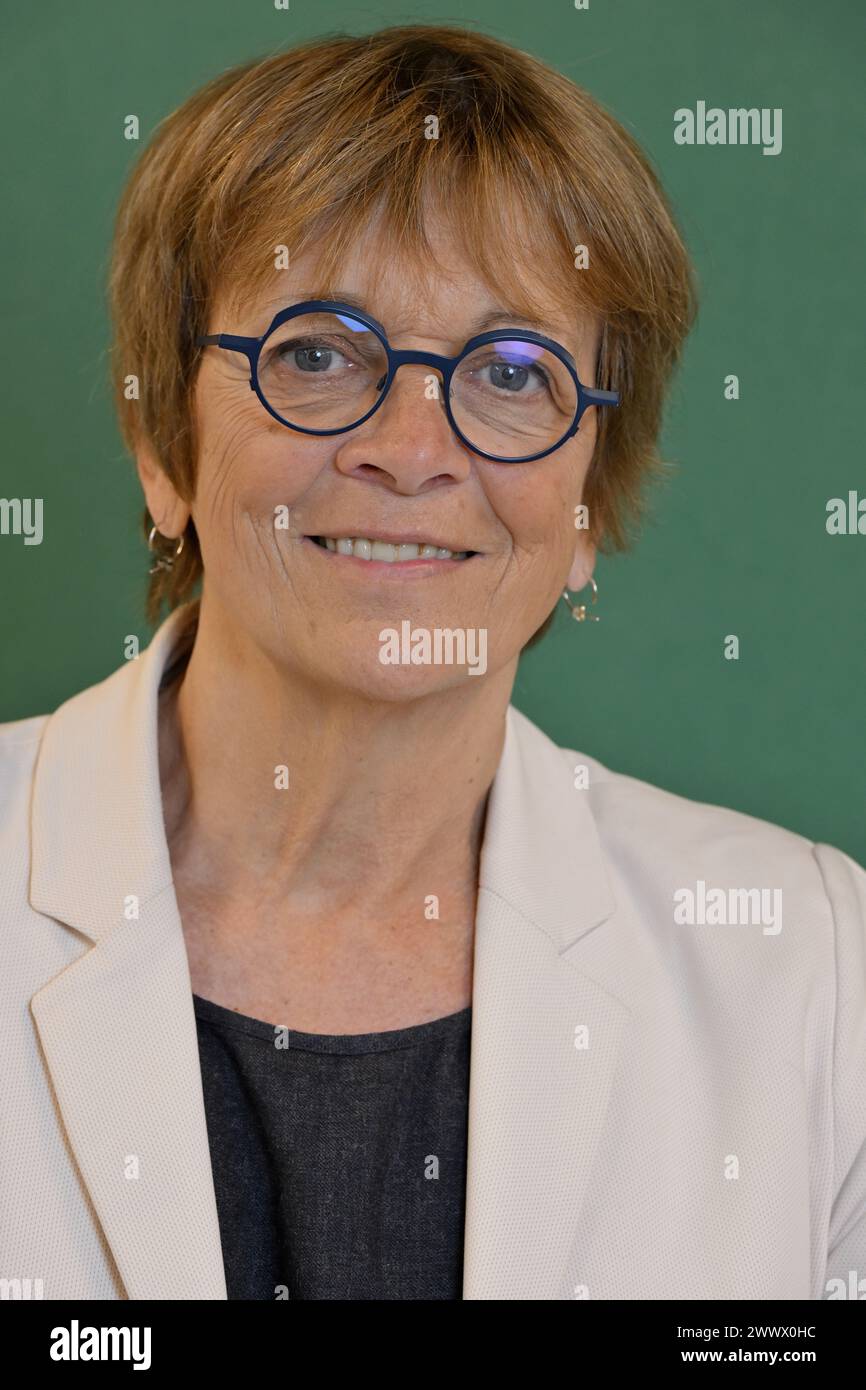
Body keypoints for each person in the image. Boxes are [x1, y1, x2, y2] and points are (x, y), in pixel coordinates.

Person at [1, 23, 863, 1302]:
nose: (413, 449)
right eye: (315, 351)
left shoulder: (811, 970)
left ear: (586, 504)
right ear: (162, 448)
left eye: (511, 372)